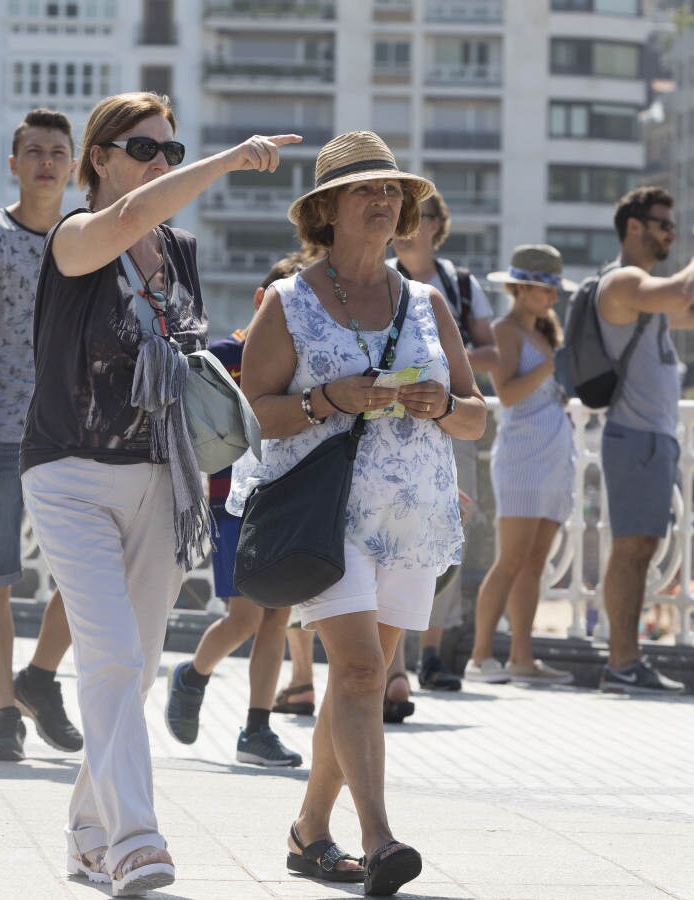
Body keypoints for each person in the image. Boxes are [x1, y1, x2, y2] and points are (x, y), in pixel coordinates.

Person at [18, 90, 298, 895]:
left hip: (163, 475)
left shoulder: (177, 250)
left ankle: (85, 835)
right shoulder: (76, 237)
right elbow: (124, 221)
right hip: (69, 470)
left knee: (133, 668)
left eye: (170, 153)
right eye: (144, 150)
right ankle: (138, 840)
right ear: (98, 160)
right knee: (108, 655)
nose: (160, 165)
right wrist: (229, 159)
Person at [228, 131, 486, 895]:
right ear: (327, 211)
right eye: (367, 190)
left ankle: (309, 831)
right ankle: (379, 840)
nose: (385, 201)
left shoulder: (427, 301)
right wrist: (328, 399)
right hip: (325, 513)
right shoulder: (290, 301)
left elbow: (476, 415)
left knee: (360, 682)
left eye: (392, 191)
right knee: (363, 668)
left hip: (412, 518)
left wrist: (444, 405)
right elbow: (255, 416)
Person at [0, 108, 83, 760]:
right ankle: (4, 711)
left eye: (58, 151)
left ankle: (41, 677)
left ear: (74, 166)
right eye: (34, 150)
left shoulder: (86, 240)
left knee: (87, 571)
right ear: (14, 163)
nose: (47, 161)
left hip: (72, 435)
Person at [164, 252, 315, 768]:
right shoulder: (221, 357)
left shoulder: (306, 368)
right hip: (231, 504)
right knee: (246, 617)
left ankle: (257, 728)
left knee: (277, 616)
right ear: (260, 301)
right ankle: (192, 675)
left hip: (286, 503)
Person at [596, 186, 694, 693]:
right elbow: (682, 295)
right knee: (631, 551)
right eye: (663, 225)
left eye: (676, 228)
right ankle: (622, 663)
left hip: (650, 438)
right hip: (633, 436)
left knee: (640, 548)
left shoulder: (645, 290)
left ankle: (625, 662)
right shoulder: (624, 282)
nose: (672, 234)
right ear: (634, 227)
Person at [388, 188, 498, 696]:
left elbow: (491, 356)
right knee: (393, 530)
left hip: (450, 420)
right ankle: (396, 663)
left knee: (446, 531)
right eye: (405, 215)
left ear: (438, 224)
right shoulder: (376, 280)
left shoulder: (458, 284)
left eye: (422, 214)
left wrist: (448, 363)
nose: (411, 224)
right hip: (392, 423)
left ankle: (431, 652)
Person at [465, 245, 578, 685]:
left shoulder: (546, 332)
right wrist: (552, 366)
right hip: (522, 455)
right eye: (543, 288)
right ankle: (478, 657)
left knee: (534, 563)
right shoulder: (504, 330)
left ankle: (521, 657)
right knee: (509, 560)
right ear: (521, 288)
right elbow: (508, 395)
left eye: (553, 289)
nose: (551, 297)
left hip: (554, 454)